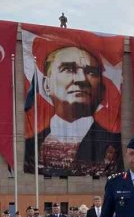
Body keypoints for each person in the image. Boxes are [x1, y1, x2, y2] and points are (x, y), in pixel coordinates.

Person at [25, 45, 122, 176]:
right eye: (68, 69)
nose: (82, 79)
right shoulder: (31, 146)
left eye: (91, 72)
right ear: (46, 85)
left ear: (101, 90)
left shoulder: (113, 145)